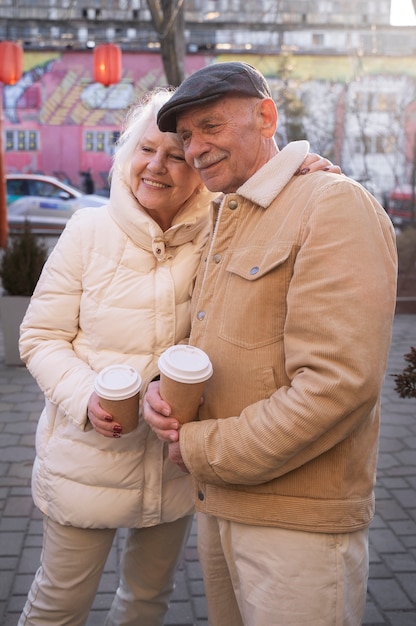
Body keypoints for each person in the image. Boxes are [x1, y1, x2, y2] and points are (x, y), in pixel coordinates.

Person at [17, 85, 336, 626]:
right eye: (146, 149)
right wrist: (84, 396)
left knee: (146, 603)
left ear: (198, 167)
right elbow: (39, 337)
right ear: (127, 154)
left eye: (176, 153)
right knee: (59, 605)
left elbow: (270, 194)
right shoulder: (88, 229)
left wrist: (302, 171)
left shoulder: (221, 228)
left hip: (175, 464)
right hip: (87, 458)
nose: (157, 165)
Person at [143, 62, 398, 626]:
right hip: (223, 505)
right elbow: (220, 340)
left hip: (296, 525)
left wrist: (203, 448)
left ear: (266, 116)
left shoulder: (331, 203)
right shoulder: (227, 213)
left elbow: (339, 386)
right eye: (185, 136)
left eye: (209, 126)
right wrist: (164, 391)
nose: (194, 148)